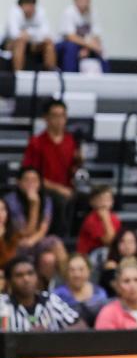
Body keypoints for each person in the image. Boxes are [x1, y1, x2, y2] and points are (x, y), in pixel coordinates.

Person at [21, 99, 81, 237]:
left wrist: (79, 161)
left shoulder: (71, 141)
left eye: (63, 116)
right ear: (46, 118)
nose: (59, 120)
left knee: (87, 198)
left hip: (68, 187)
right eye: (55, 115)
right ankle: (60, 238)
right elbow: (31, 173)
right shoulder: (36, 142)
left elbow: (75, 170)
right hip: (44, 187)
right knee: (60, 200)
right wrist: (58, 188)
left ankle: (78, 238)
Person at [4, 167, 67, 268]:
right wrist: (34, 205)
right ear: (19, 183)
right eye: (26, 180)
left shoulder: (46, 200)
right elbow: (25, 232)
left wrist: (32, 241)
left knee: (54, 246)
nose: (31, 184)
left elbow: (43, 229)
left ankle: (68, 280)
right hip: (14, 242)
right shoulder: (10, 201)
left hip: (35, 241)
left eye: (34, 180)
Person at [0, 256, 81, 332]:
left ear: (37, 277)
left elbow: (80, 325)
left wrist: (51, 334)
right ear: (9, 281)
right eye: (19, 275)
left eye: (30, 273)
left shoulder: (50, 300)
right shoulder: (2, 304)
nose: (26, 279)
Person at [95, 258, 137, 330]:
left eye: (136, 280)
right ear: (118, 286)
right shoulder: (108, 313)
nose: (132, 286)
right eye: (126, 281)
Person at [58, 0, 107, 73]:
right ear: (75, 0)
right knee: (71, 47)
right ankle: (70, 77)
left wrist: (88, 48)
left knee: (101, 48)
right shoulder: (69, 12)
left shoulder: (92, 13)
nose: (85, 2)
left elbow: (96, 35)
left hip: (84, 44)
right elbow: (70, 37)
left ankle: (107, 78)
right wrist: (90, 45)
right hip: (65, 44)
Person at [4, 0, 56, 72]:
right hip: (11, 44)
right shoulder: (14, 11)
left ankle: (51, 73)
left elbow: (47, 33)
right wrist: (34, 35)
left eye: (31, 5)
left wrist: (28, 33)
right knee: (21, 42)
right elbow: (14, 34)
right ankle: (18, 74)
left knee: (49, 43)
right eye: (26, 5)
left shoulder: (40, 12)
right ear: (20, 6)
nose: (29, 8)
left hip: (34, 44)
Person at [53, 252, 109, 326]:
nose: (77, 274)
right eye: (72, 270)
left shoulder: (100, 293)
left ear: (89, 271)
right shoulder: (56, 296)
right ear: (66, 272)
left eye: (81, 269)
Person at [76, 185, 121, 255]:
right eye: (100, 200)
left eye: (107, 199)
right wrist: (106, 220)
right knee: (105, 252)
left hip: (106, 252)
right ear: (92, 202)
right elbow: (109, 241)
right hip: (88, 255)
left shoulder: (115, 218)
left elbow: (117, 240)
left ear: (112, 202)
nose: (104, 203)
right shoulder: (91, 219)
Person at [99, 227, 137, 293]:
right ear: (116, 244)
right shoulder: (111, 266)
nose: (127, 245)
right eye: (122, 241)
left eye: (131, 241)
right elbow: (118, 290)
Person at [0, 197, 20, 268]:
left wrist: (1, 239)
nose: (0, 214)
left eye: (3, 209)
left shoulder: (13, 233)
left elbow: (9, 262)